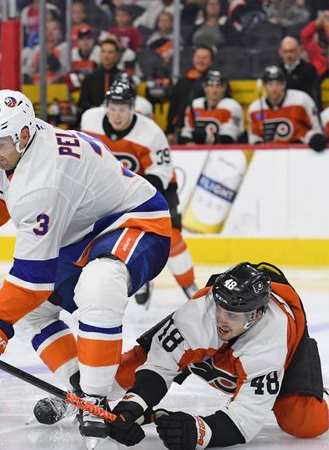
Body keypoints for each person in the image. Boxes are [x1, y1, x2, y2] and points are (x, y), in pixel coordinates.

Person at [0, 89, 171, 447]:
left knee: (99, 285)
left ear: (21, 135)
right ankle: (80, 383)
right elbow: (2, 190)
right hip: (82, 234)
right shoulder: (20, 143)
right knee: (32, 313)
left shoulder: (42, 180)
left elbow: (34, 278)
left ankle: (94, 400)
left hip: (136, 223)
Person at [103, 262, 329, 450]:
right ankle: (77, 398)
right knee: (130, 368)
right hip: (219, 348)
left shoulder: (271, 337)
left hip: (280, 348)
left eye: (233, 314)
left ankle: (323, 399)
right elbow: (159, 364)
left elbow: (246, 419)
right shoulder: (201, 312)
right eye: (221, 308)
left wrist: (199, 432)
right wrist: (133, 405)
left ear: (256, 315)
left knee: (300, 421)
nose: (222, 318)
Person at [81, 77, 198, 306]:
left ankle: (189, 286)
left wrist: (131, 194)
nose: (116, 115)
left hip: (156, 188)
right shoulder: (90, 120)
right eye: (112, 108)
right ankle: (142, 276)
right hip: (114, 190)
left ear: (133, 108)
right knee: (113, 237)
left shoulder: (151, 133)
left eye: (122, 109)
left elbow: (161, 172)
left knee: (171, 237)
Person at [247, 65, 326, 152]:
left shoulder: (301, 100)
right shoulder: (254, 109)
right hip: (270, 156)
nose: (274, 88)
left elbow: (317, 129)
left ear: (284, 84)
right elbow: (254, 139)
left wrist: (313, 138)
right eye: (270, 84)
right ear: (264, 86)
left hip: (300, 152)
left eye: (278, 84)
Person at [180, 70, 244, 144]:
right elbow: (186, 133)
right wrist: (189, 142)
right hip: (198, 153)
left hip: (224, 153)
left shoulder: (231, 107)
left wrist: (206, 137)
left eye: (218, 86)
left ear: (224, 88)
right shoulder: (195, 105)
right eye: (211, 85)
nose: (214, 90)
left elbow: (228, 138)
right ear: (205, 88)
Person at [166, 45, 213, 143]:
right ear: (193, 59)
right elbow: (173, 108)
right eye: (198, 57)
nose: (201, 61)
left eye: (205, 58)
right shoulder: (182, 82)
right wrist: (170, 131)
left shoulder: (217, 84)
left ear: (211, 61)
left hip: (208, 132)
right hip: (183, 132)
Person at [77, 38, 123, 114]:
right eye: (103, 51)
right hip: (94, 118)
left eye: (110, 52)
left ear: (116, 55)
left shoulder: (123, 78)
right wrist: (95, 111)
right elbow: (82, 102)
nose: (106, 56)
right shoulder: (90, 78)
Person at [278, 36, 320, 108]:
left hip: (303, 109)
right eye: (285, 51)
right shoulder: (278, 71)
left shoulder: (309, 70)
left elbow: (311, 95)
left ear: (299, 51)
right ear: (280, 52)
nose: (289, 55)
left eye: (292, 51)